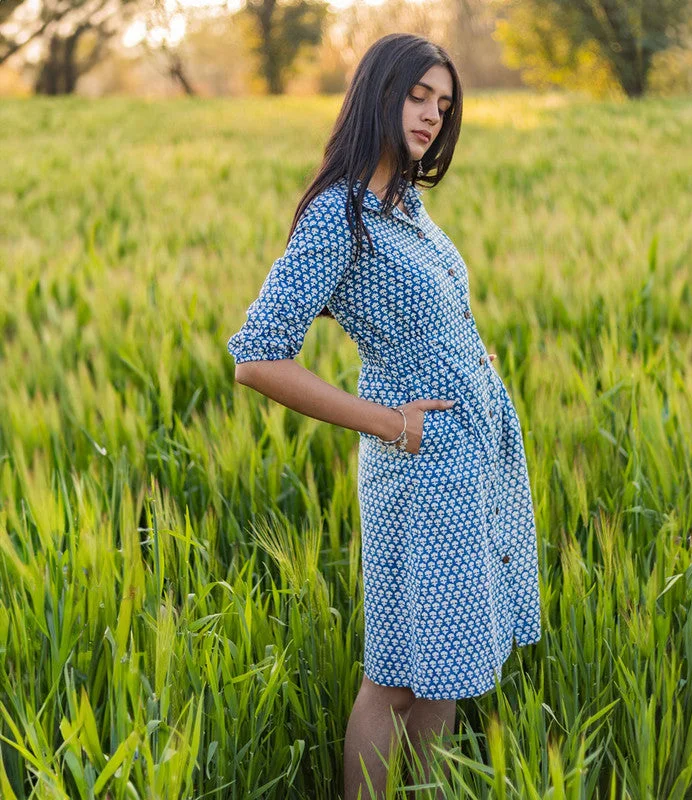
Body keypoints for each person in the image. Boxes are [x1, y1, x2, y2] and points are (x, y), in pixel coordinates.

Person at [226, 32, 542, 800]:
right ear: (378, 93)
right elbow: (258, 357)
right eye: (417, 96)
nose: (432, 115)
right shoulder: (340, 214)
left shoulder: (406, 199)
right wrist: (391, 423)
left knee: (448, 667)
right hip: (419, 463)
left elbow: (432, 311)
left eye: (444, 102)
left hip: (471, 451)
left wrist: (473, 359)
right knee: (399, 676)